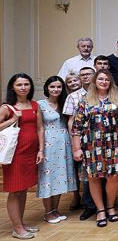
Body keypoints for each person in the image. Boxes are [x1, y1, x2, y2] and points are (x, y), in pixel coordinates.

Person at [72, 69, 118, 227]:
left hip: (113, 144)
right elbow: (76, 127)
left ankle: (110, 207)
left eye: (107, 79)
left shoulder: (117, 99)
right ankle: (100, 210)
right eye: (101, 79)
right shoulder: (86, 100)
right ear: (95, 81)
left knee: (114, 177)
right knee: (94, 177)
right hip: (91, 145)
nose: (104, 82)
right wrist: (77, 149)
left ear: (110, 82)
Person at [0, 74, 44, 239]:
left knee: (23, 189)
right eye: (19, 84)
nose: (24, 87)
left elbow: (40, 129)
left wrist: (41, 150)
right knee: (15, 190)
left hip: (30, 153)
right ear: (13, 87)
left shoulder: (34, 105)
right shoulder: (7, 107)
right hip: (15, 155)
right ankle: (17, 228)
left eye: (26, 84)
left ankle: (21, 223)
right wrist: (13, 119)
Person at [37, 76, 76, 224]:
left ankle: (55, 210)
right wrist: (40, 149)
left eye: (59, 87)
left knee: (60, 177)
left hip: (64, 143)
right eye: (52, 87)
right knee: (48, 178)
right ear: (47, 88)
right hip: (48, 144)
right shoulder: (40, 104)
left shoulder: (64, 103)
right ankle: (48, 212)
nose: (56, 89)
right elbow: (39, 127)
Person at [63, 67, 96, 218]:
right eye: (82, 75)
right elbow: (70, 122)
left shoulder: (103, 92)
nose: (85, 77)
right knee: (86, 174)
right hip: (82, 140)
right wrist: (74, 144)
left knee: (102, 173)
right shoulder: (73, 97)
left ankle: (106, 204)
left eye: (88, 74)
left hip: (102, 140)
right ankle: (89, 206)